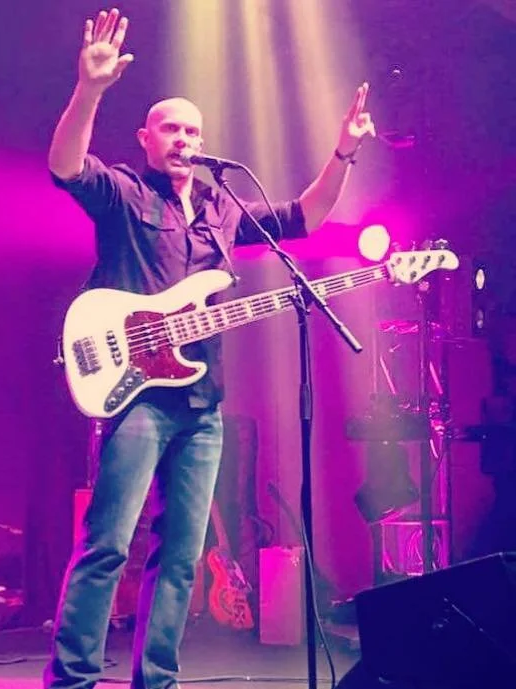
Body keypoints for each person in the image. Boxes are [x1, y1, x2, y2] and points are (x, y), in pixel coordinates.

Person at [45, 8, 376, 689]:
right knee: (108, 545)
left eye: (193, 131)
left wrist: (343, 153)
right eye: (171, 128)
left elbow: (305, 217)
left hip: (201, 405)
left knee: (181, 559)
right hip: (137, 396)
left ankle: (157, 680)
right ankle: (71, 679)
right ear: (146, 138)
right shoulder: (124, 192)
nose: (184, 139)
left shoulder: (224, 207)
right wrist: (90, 88)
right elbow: (66, 167)